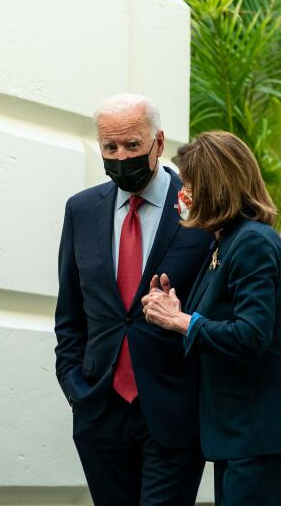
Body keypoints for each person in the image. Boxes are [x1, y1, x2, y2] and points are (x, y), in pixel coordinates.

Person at [141, 131, 281, 506]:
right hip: (238, 427)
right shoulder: (225, 241)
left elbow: (251, 334)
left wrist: (181, 321)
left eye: (189, 185)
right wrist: (174, 308)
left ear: (212, 187)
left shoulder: (253, 242)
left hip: (261, 425)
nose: (182, 195)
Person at [54, 93, 212, 506]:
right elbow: (70, 314)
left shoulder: (203, 208)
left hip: (173, 409)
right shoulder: (81, 210)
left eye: (132, 145)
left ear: (158, 143)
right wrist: (76, 388)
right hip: (100, 408)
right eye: (110, 147)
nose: (120, 156)